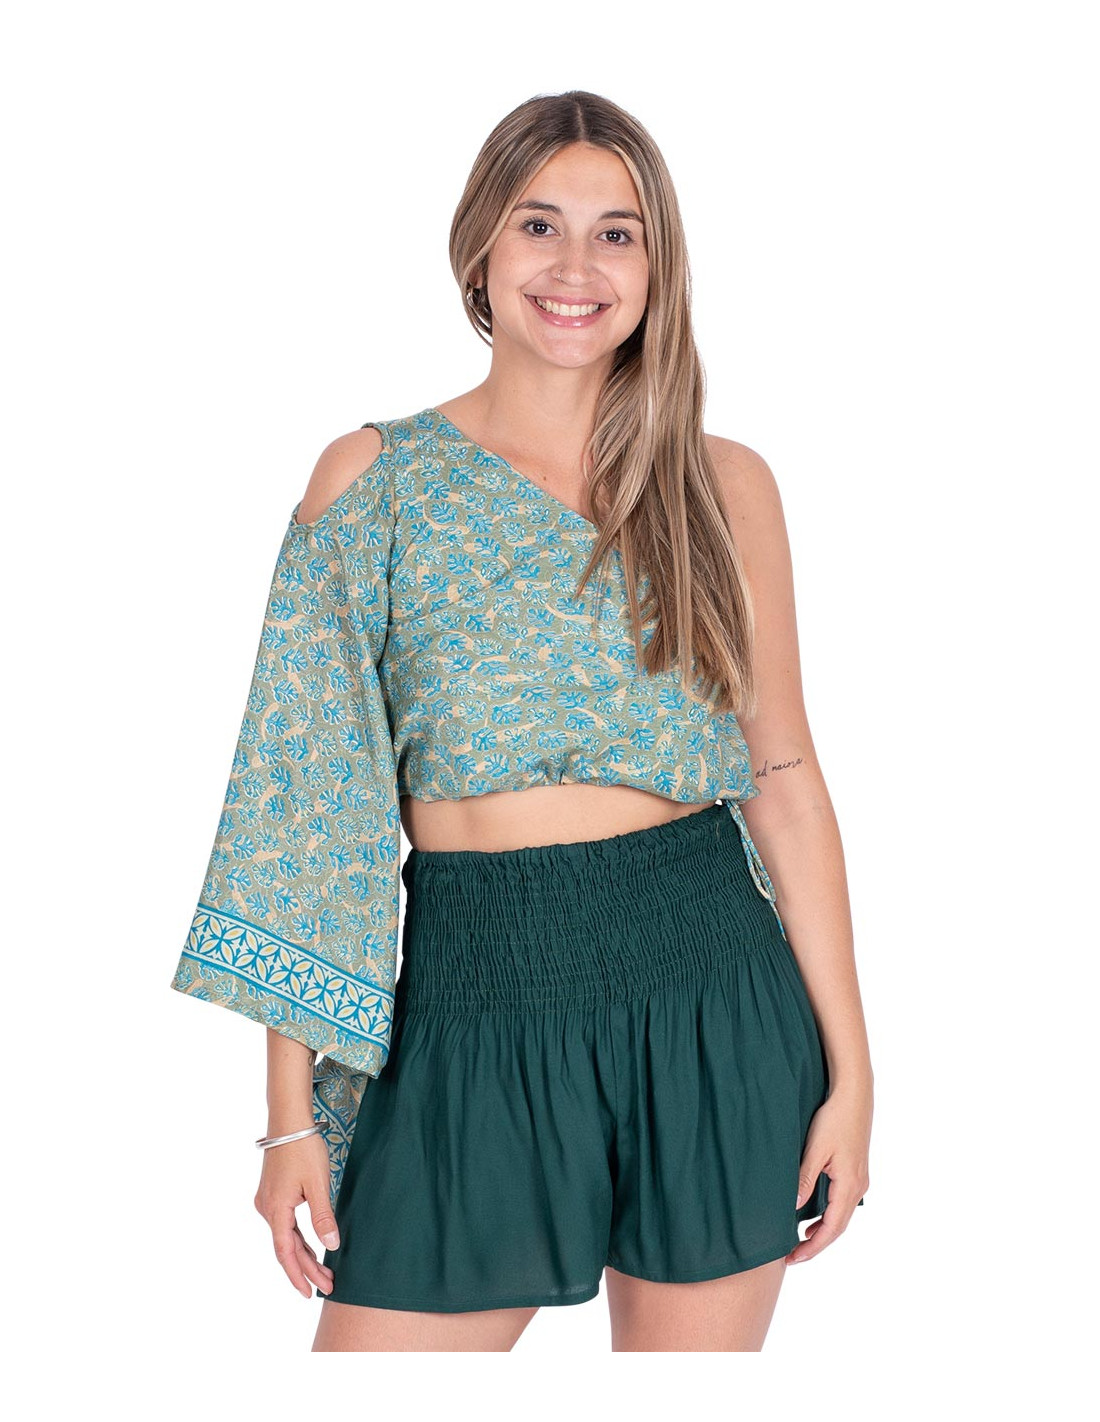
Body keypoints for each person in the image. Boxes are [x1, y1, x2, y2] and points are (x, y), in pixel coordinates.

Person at [169, 89, 872, 1353]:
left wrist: (854, 1072)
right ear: (480, 250)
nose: (573, 267)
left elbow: (781, 775)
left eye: (616, 234)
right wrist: (287, 1122)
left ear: (656, 267)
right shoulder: (374, 482)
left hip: (711, 992)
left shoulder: (722, 485)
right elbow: (310, 816)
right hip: (473, 1001)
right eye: (538, 224)